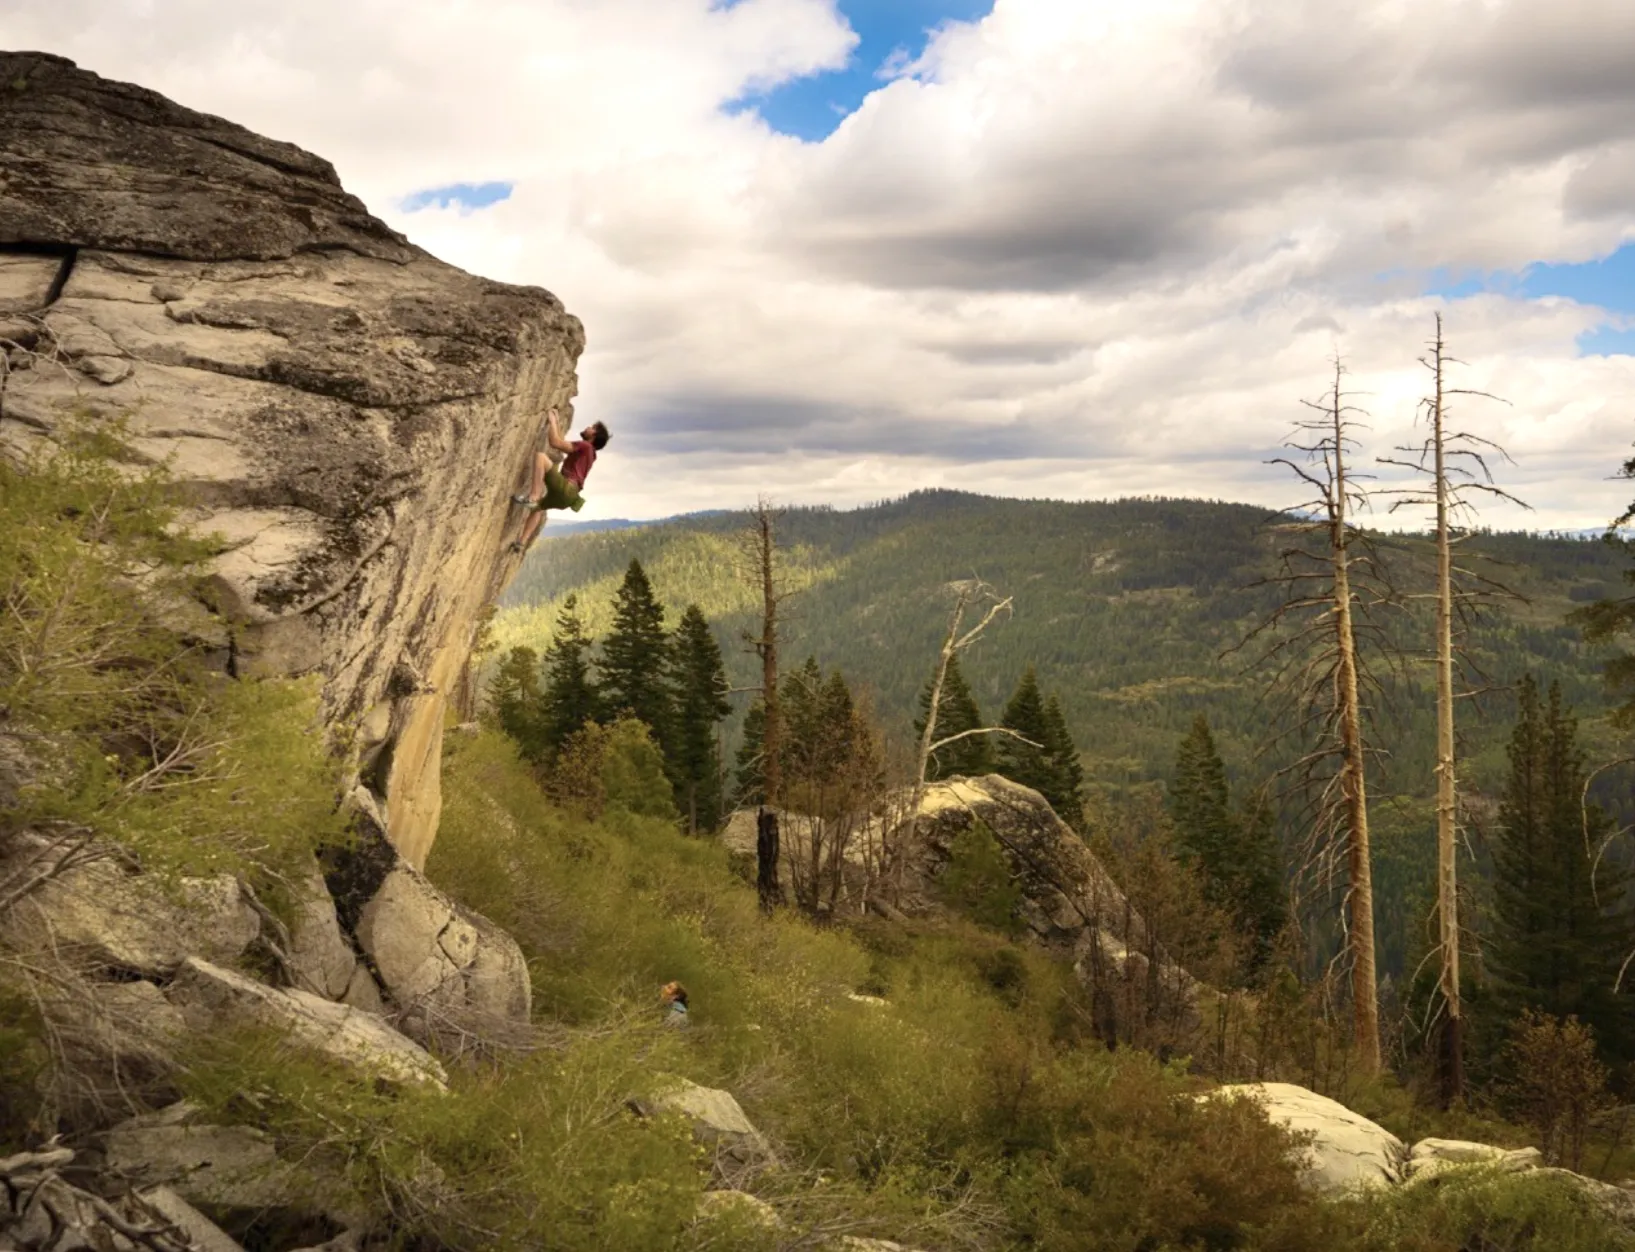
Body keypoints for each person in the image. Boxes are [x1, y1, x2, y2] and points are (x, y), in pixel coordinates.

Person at [508, 406, 610, 553]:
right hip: (569, 498)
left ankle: (533, 496)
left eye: (593, 427)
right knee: (538, 508)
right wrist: (556, 424)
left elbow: (555, 442)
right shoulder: (589, 453)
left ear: (594, 436)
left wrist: (552, 421)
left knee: (541, 457)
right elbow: (562, 443)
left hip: (566, 488)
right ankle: (521, 542)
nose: (588, 427)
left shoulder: (585, 446)